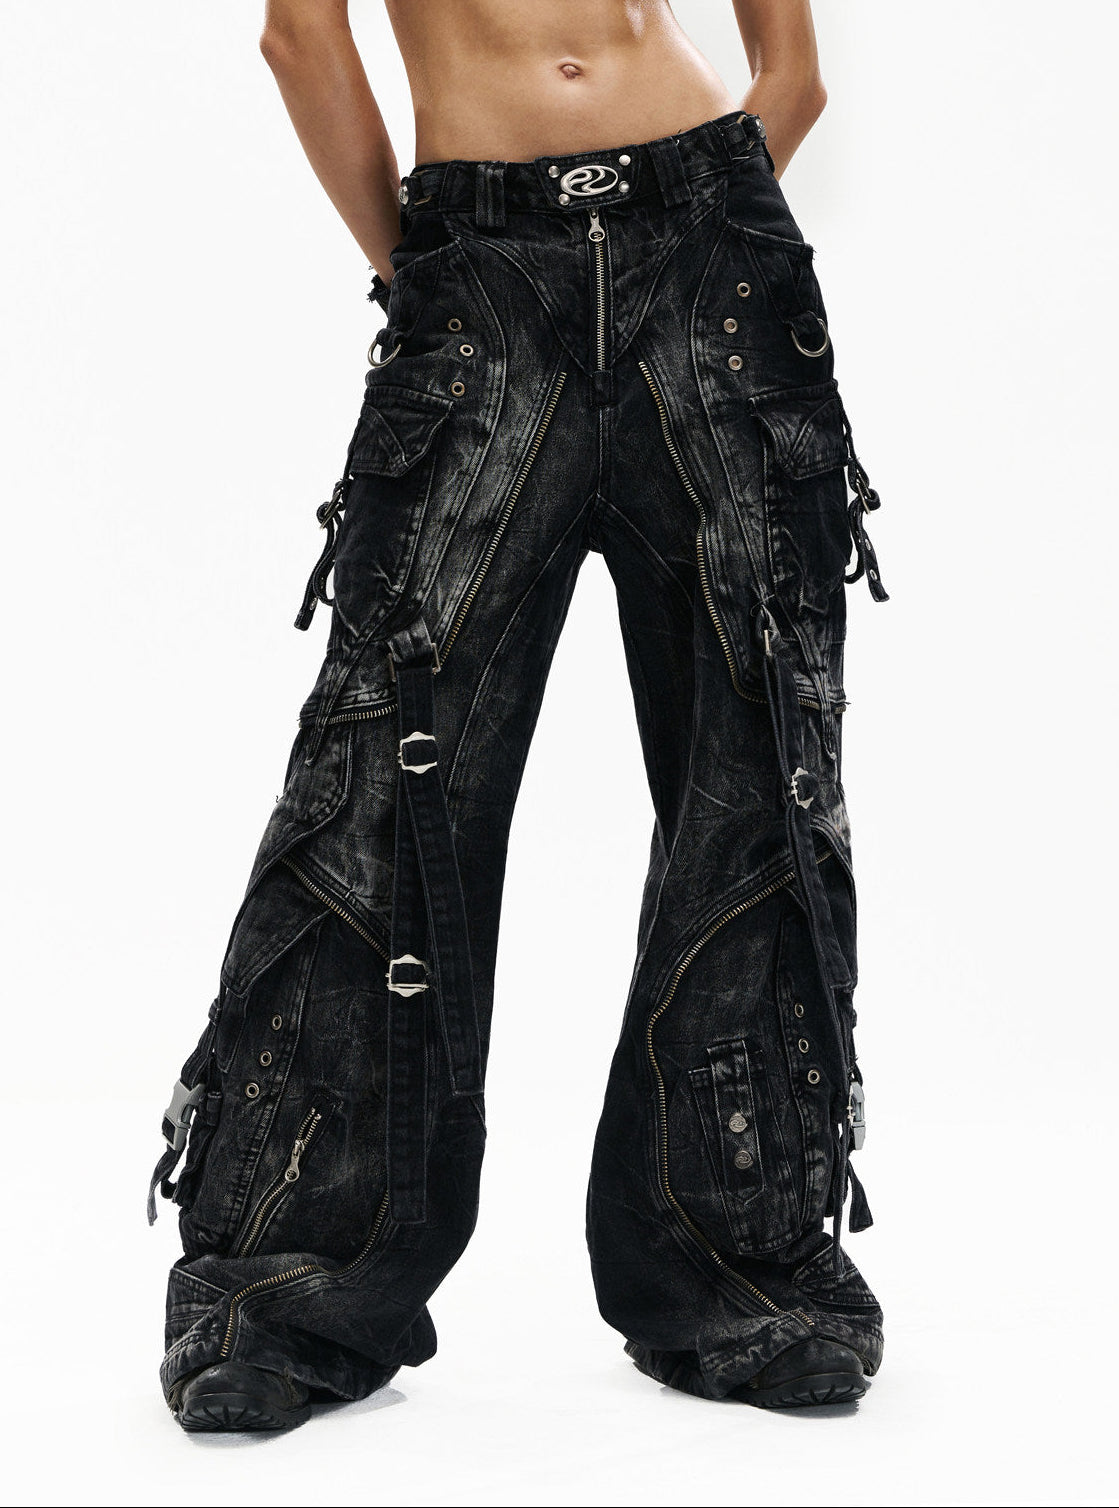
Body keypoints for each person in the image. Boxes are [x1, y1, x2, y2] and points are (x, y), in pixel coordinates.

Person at [149, 0, 890, 1434]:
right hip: (481, 279)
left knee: (757, 773)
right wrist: (437, 272)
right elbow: (300, 36)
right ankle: (289, 1287)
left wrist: (692, 225)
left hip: (715, 275)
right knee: (382, 764)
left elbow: (790, 76)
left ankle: (740, 1273)